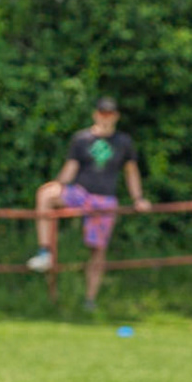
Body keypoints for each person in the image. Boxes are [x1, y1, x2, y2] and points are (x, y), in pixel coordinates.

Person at [26, 97, 150, 310]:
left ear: (116, 116)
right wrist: (58, 185)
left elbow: (131, 172)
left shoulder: (123, 142)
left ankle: (89, 301)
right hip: (80, 193)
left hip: (105, 199)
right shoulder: (81, 139)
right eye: (102, 113)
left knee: (98, 251)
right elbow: (70, 169)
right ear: (95, 114)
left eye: (109, 114)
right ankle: (45, 252)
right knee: (45, 194)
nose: (105, 117)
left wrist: (138, 199)